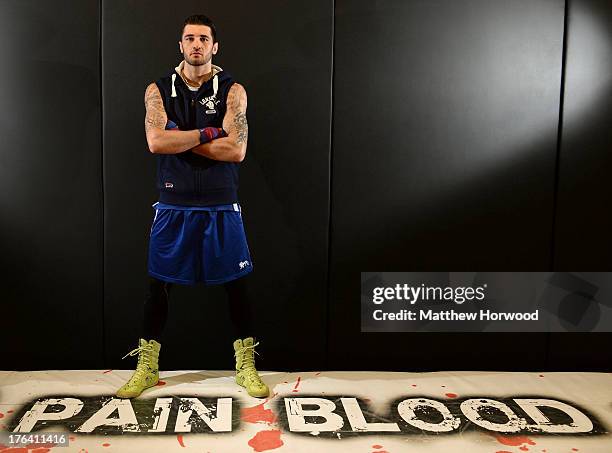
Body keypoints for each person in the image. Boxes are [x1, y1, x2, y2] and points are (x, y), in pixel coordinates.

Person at [115, 14, 268, 399]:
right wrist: (207, 132)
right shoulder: (158, 89)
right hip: (173, 203)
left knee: (237, 288)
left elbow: (236, 149)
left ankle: (245, 365)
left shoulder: (234, 90)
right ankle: (146, 367)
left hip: (220, 202)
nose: (196, 44)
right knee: (158, 287)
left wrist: (178, 137)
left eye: (203, 38)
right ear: (180, 45)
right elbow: (155, 142)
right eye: (189, 38)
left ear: (214, 46)